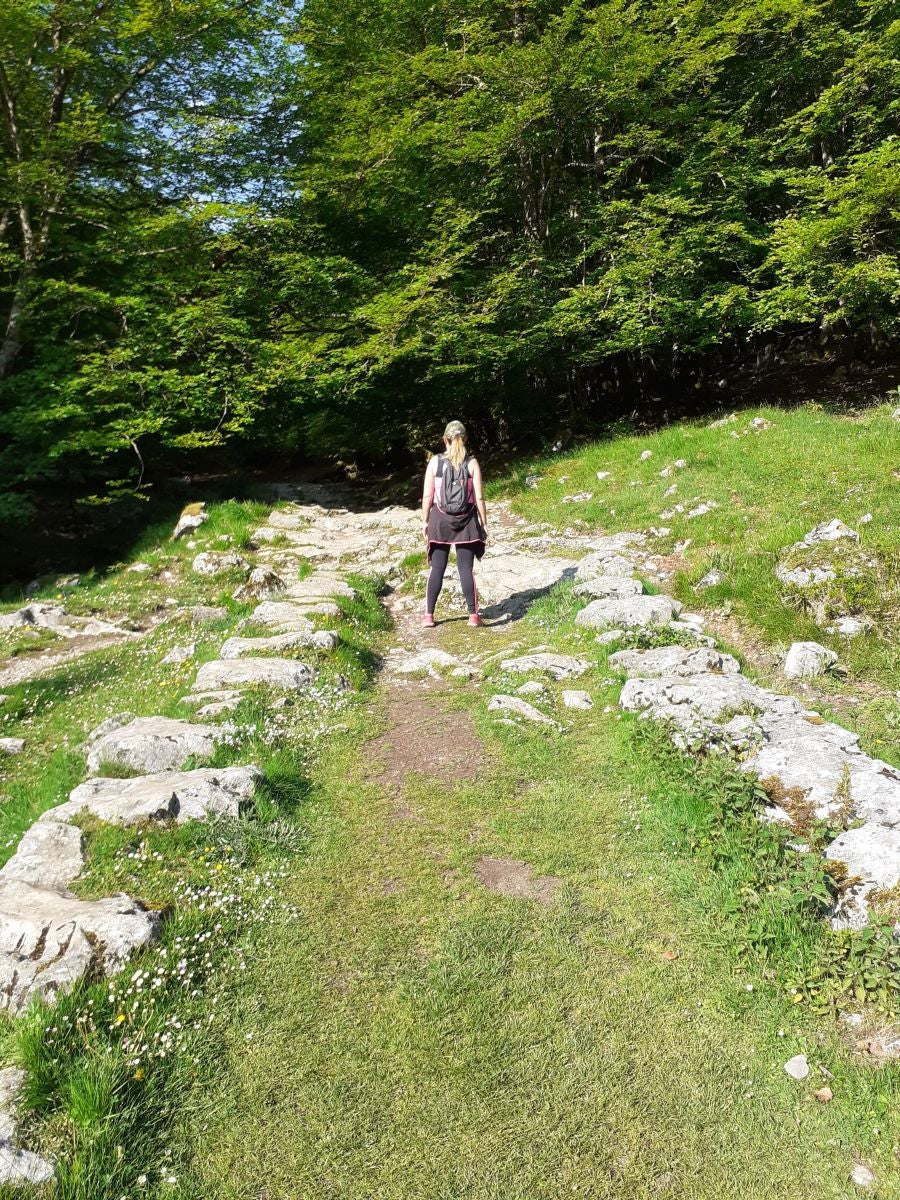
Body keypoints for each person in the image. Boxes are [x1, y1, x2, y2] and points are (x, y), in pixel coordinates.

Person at [420, 420, 488, 628]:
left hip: (439, 521)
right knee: (465, 569)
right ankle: (473, 616)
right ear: (465, 439)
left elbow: (427, 496)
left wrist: (424, 522)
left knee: (437, 568)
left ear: (445, 440)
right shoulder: (472, 463)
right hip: (466, 522)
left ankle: (429, 616)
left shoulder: (435, 463)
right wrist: (484, 524)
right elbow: (479, 499)